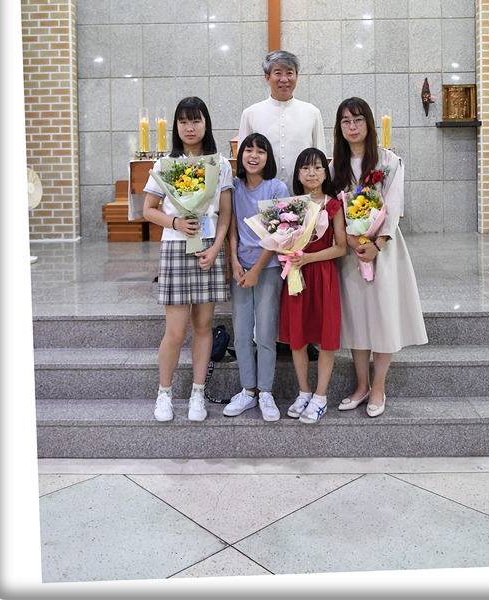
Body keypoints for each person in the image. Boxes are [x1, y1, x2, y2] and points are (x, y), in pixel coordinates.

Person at [332, 97, 428, 418]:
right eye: (346, 121)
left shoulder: (388, 161)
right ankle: (361, 385)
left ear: (369, 123)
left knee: (383, 316)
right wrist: (348, 238)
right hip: (351, 252)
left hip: (383, 251)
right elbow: (333, 209)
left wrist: (378, 243)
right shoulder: (335, 167)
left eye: (358, 120)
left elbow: (394, 204)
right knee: (357, 318)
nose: (352, 127)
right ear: (339, 127)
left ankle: (378, 386)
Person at [143, 97, 233, 423]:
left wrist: (217, 247)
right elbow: (148, 210)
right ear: (176, 126)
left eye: (196, 120)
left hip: (208, 247)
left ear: (206, 124)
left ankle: (197, 393)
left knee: (204, 325)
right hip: (175, 246)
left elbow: (225, 213)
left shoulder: (219, 163)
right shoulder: (165, 164)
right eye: (183, 121)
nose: (189, 127)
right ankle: (164, 393)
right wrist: (176, 223)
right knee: (176, 330)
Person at [223, 133, 289, 422]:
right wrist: (234, 262)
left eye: (260, 151)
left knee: (264, 332)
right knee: (241, 333)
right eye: (248, 150)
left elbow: (277, 232)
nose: (253, 155)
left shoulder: (276, 187)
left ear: (268, 157)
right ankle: (247, 390)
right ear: (241, 156)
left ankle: (265, 392)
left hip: (268, 268)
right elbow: (232, 227)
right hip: (241, 269)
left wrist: (257, 269)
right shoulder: (234, 186)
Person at [279, 148, 347, 423]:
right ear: (298, 174)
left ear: (325, 173)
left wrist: (308, 258)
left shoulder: (333, 205)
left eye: (318, 167)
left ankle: (321, 396)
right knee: (298, 338)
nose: (312, 173)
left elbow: (341, 247)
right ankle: (304, 392)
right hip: (297, 277)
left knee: (325, 338)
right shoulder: (290, 206)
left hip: (323, 275)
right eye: (306, 168)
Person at [237, 50, 326, 190]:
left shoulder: (312, 112)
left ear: (297, 76)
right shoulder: (250, 113)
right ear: (267, 77)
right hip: (263, 195)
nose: (284, 79)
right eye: (278, 73)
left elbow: (320, 157)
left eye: (289, 73)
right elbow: (243, 159)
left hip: (303, 194)